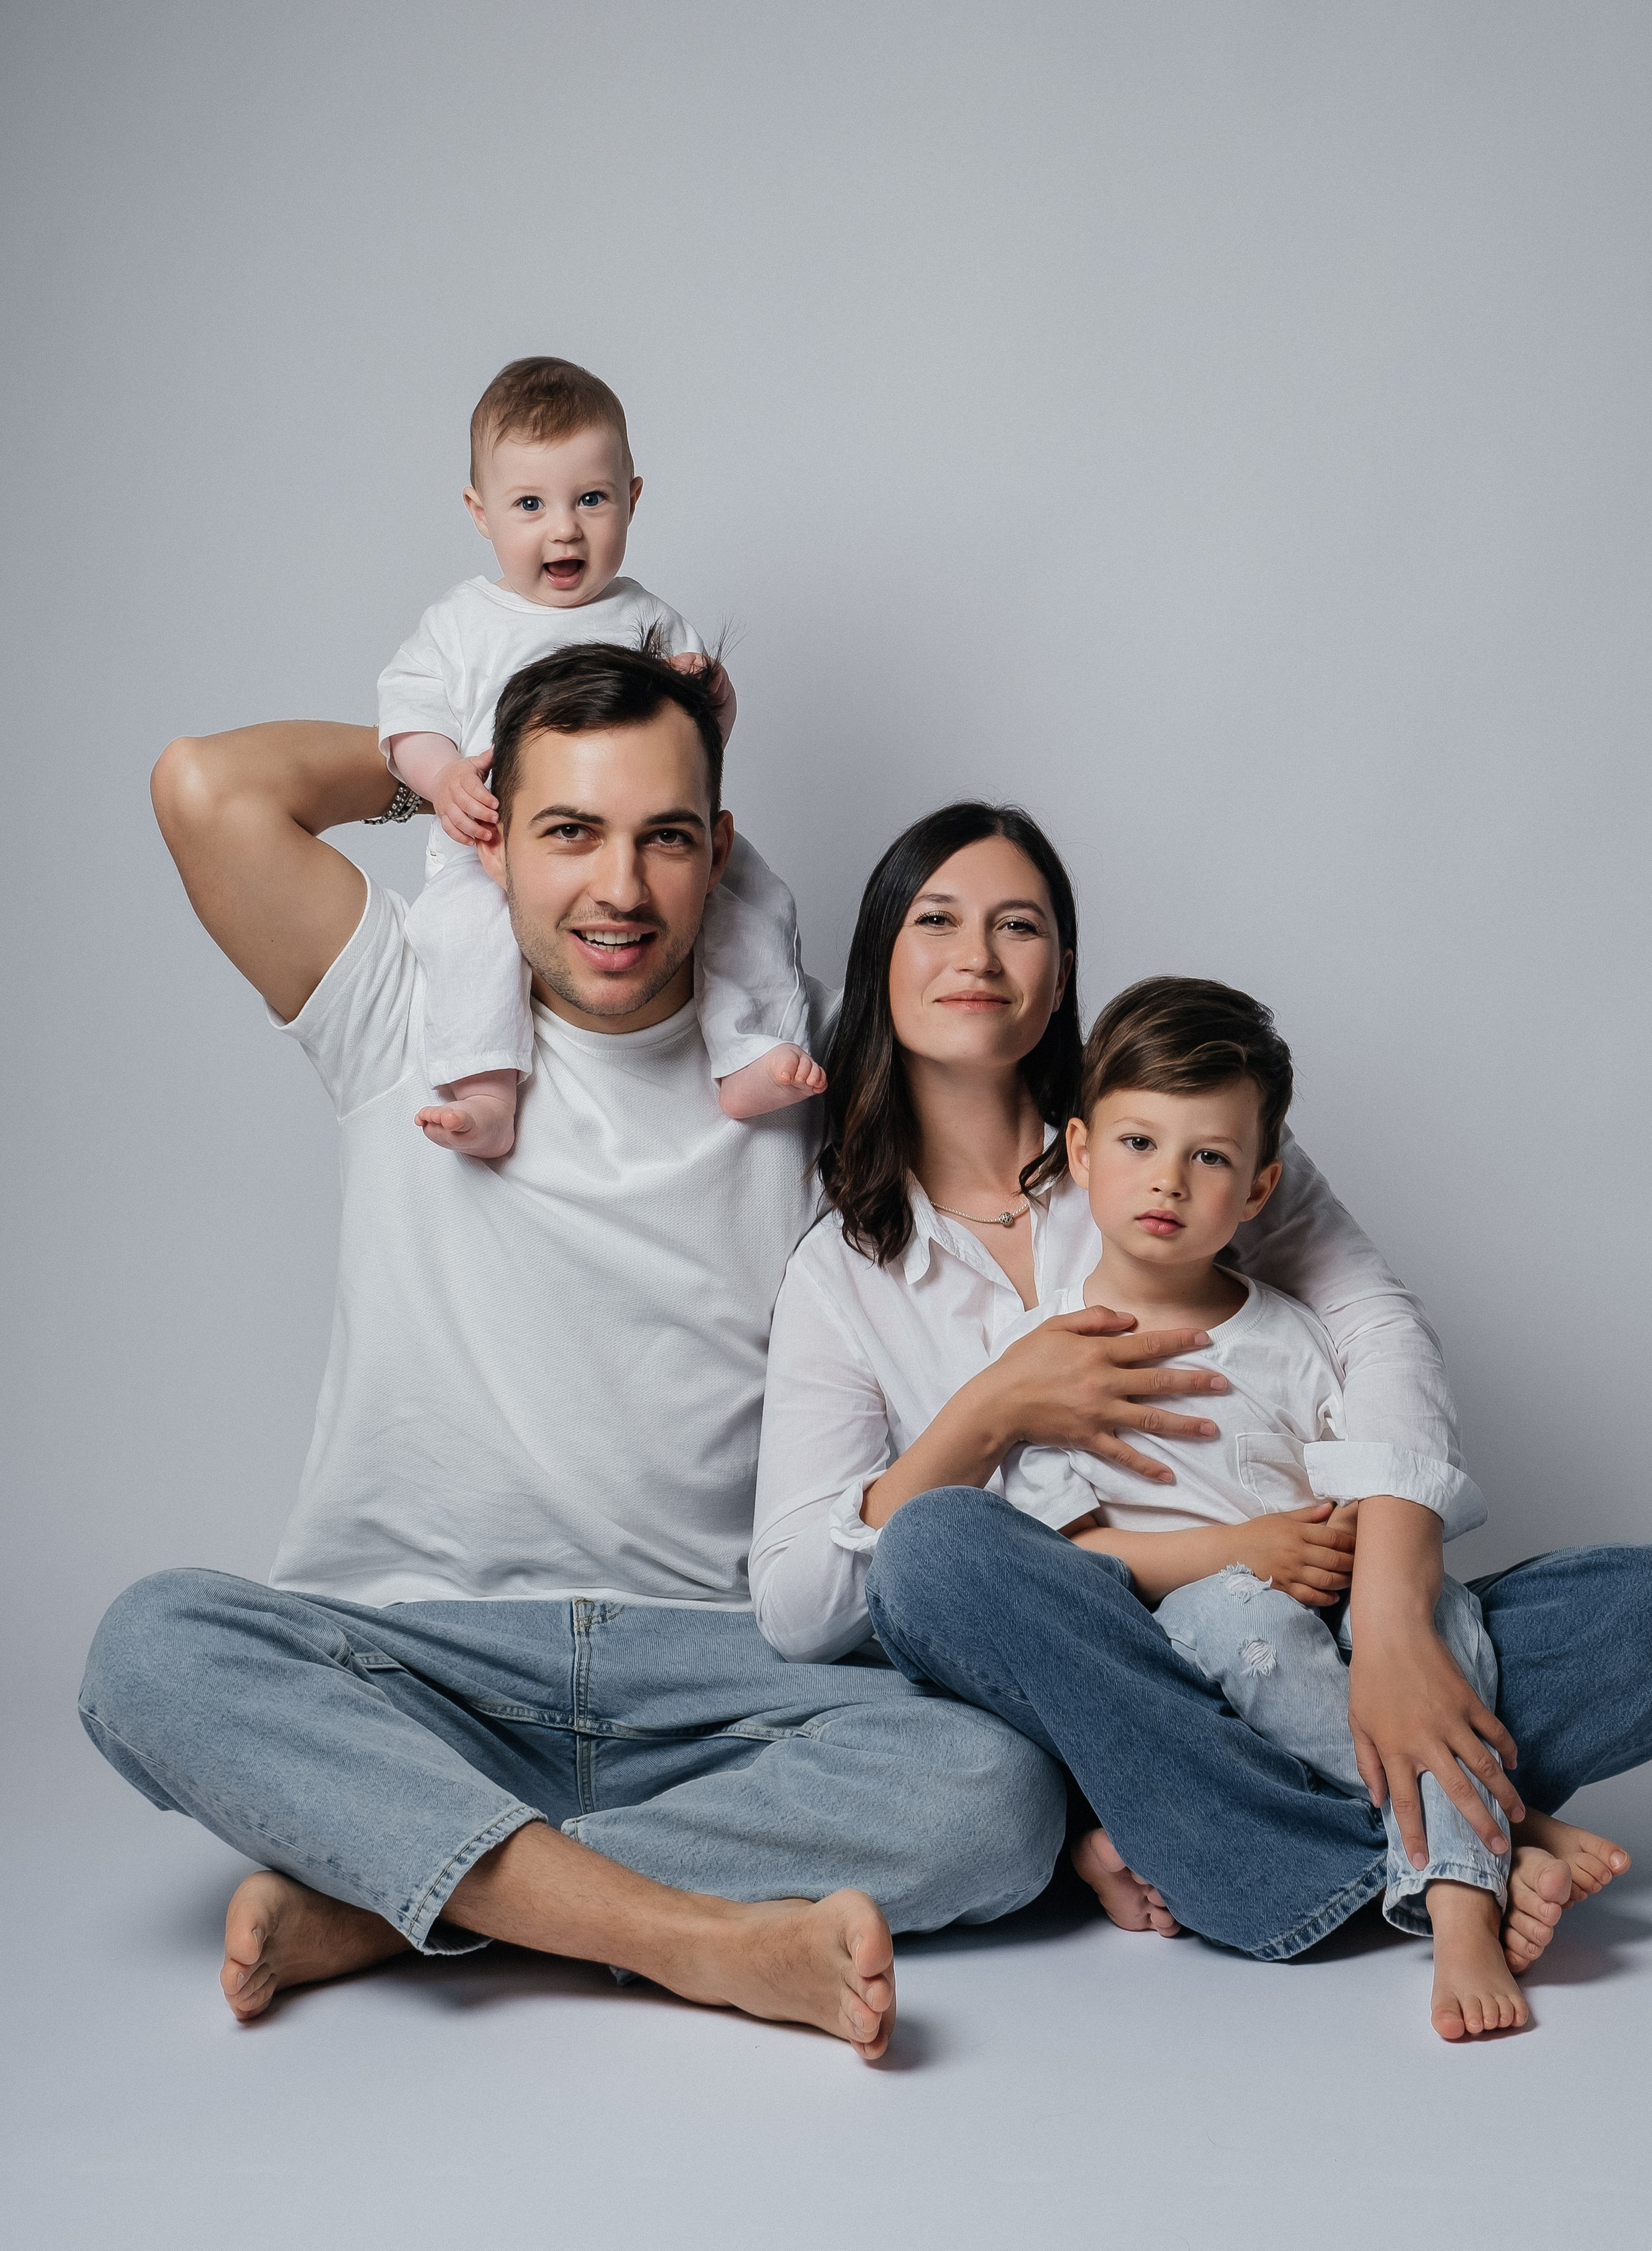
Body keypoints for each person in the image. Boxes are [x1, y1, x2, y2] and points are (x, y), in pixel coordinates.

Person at [78, 649, 1066, 2061]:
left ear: (718, 852)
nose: (619, 888)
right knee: (147, 1648)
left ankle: (397, 1899)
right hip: (416, 1660)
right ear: (490, 836)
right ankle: (696, 1940)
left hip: (717, 1674)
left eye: (664, 837)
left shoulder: (798, 1073)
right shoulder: (400, 1008)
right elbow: (207, 785)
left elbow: (1054, 1119)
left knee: (998, 1790)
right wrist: (442, 760)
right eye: (567, 831)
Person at [752, 802, 1652, 2029]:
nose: (977, 958)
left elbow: (1374, 1332)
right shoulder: (845, 1270)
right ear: (880, 958)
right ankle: (1464, 1844)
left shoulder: (1176, 1132)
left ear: (1066, 972)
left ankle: (1241, 1836)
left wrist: (1397, 1621)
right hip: (1110, 1668)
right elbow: (802, 1607)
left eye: (1020, 926)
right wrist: (986, 1415)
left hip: (1323, 1627)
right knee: (937, 1552)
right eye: (935, 921)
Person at [990, 972, 1627, 2040]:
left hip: (1332, 1623)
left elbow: (1364, 1483)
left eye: (1210, 1158)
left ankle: (1460, 1884)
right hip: (1181, 1647)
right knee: (1242, 1620)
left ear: (1259, 1188)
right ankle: (1486, 1855)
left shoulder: (1292, 1333)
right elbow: (1077, 1553)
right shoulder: (1047, 1354)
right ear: (1084, 1153)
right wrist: (1243, 1551)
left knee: (1441, 1612)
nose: (1170, 1182)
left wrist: (1365, 1573)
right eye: (1140, 1146)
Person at [380, 355, 823, 1156]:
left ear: (632, 498)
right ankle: (484, 1091)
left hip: (643, 833)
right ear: (480, 513)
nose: (564, 528)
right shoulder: (461, 624)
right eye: (529, 504)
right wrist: (440, 775)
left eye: (591, 499)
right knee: (464, 942)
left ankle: (747, 1049)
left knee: (752, 902)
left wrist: (709, 692)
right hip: (498, 848)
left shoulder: (647, 617)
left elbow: (700, 743)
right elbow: (406, 714)